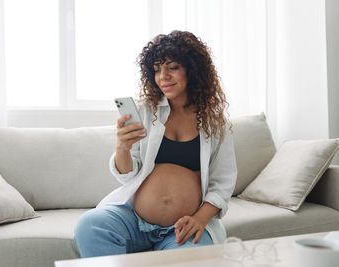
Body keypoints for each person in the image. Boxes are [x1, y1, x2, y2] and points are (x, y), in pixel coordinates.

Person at [74, 30, 237, 258]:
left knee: (188, 260)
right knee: (90, 225)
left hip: (183, 227)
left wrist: (199, 219)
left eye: (172, 67)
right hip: (133, 219)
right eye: (158, 69)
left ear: (193, 68)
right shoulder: (145, 111)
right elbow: (127, 176)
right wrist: (123, 147)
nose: (163, 76)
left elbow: (223, 183)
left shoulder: (216, 124)